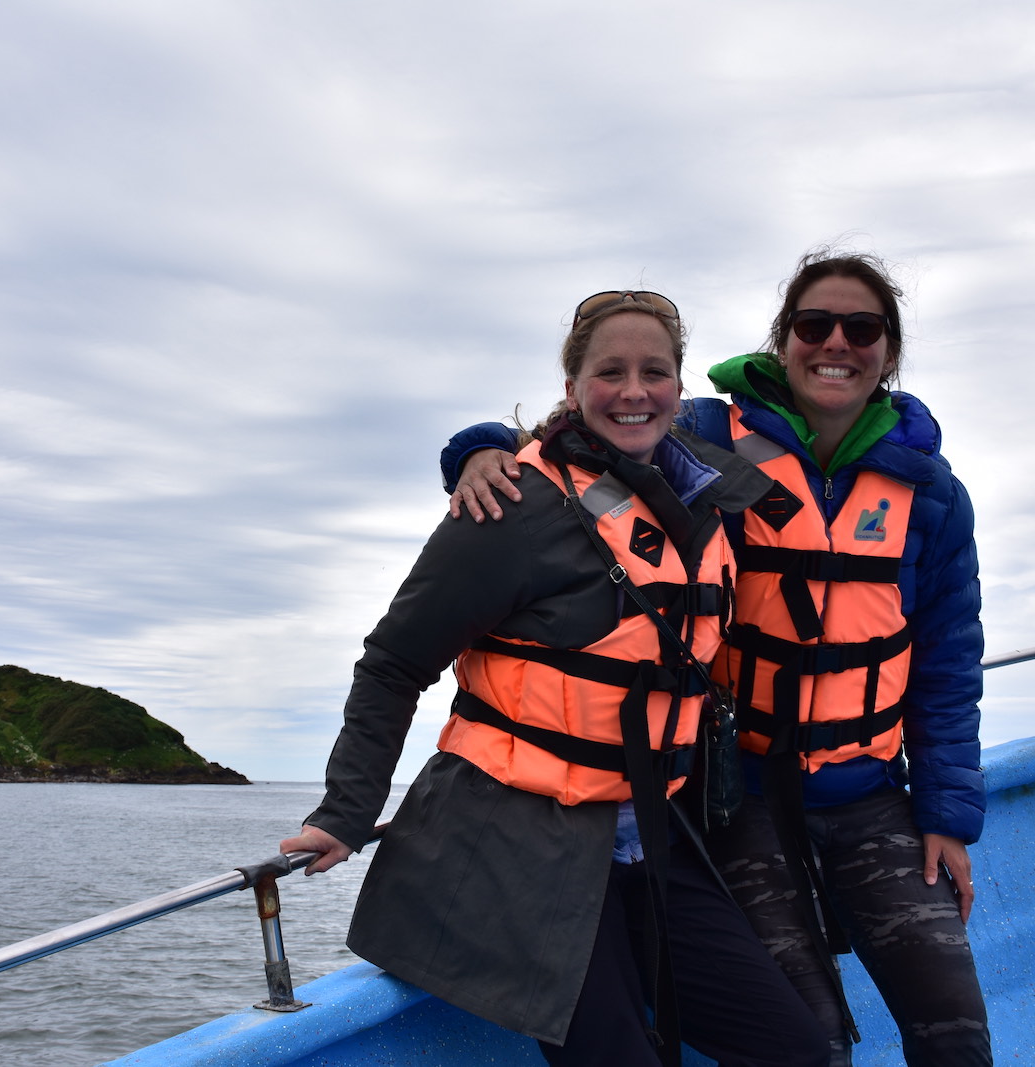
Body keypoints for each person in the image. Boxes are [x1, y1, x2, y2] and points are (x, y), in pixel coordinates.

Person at [443, 252, 992, 1066]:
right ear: (784, 340)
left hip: (871, 795)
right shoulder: (704, 432)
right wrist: (479, 450)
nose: (835, 343)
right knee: (811, 1040)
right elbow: (578, 431)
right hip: (740, 795)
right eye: (814, 325)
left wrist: (947, 815)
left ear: (888, 349)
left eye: (861, 327)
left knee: (956, 1028)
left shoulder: (934, 493)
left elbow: (950, 664)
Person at [281, 291, 826, 1067]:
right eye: (610, 372)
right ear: (571, 387)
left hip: (652, 835)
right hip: (523, 844)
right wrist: (347, 809)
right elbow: (394, 662)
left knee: (796, 1049)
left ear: (679, 389)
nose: (634, 390)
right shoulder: (510, 504)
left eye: (655, 372)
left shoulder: (702, 484)